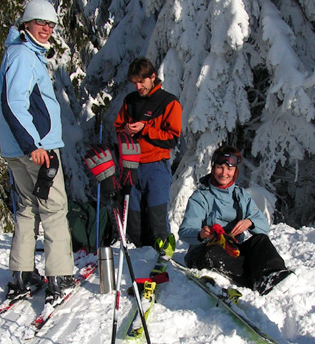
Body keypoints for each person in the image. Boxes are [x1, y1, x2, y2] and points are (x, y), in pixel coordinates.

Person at [0, 0, 74, 304]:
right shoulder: (24, 56)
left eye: (51, 25)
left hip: (20, 147)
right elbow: (14, 103)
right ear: (26, 24)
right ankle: (59, 276)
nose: (46, 29)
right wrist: (34, 146)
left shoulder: (19, 53)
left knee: (28, 209)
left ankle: (23, 274)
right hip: (34, 148)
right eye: (41, 23)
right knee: (54, 209)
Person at [179, 145, 291, 295]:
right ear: (213, 168)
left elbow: (264, 226)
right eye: (220, 167)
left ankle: (272, 274)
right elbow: (185, 231)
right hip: (205, 251)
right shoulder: (201, 197)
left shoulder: (241, 196)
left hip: (232, 249)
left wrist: (250, 222)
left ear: (235, 171)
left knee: (260, 240)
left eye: (229, 169)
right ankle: (254, 279)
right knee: (212, 253)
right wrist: (201, 234)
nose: (224, 173)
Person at [114, 57, 182, 247]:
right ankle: (140, 256)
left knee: (156, 216)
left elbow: (172, 138)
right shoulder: (130, 101)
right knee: (134, 218)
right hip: (131, 165)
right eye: (134, 82)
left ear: (153, 77)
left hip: (156, 166)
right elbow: (118, 127)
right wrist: (126, 131)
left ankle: (163, 257)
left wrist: (144, 129)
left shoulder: (169, 102)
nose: (138, 86)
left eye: (141, 81)